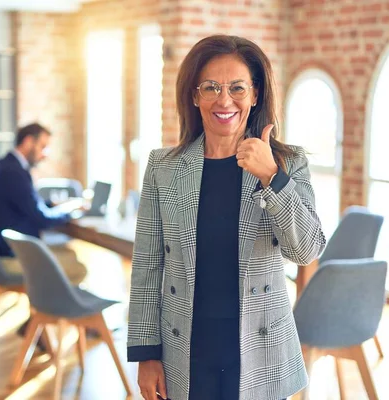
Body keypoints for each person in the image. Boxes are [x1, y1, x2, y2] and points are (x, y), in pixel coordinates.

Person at [127, 35, 326, 400]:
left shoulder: (288, 164)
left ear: (255, 94)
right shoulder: (163, 168)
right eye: (211, 87)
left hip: (261, 348)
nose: (224, 100)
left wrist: (272, 177)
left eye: (237, 87)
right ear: (194, 95)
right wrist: (146, 353)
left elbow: (307, 250)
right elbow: (147, 267)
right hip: (184, 347)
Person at [0, 122, 87, 284]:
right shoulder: (14, 173)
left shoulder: (4, 166)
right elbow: (42, 219)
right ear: (29, 141)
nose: (45, 154)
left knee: (67, 253)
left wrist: (52, 204)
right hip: (10, 255)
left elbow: (24, 204)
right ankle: (53, 307)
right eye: (43, 146)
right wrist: (69, 210)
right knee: (76, 267)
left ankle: (45, 306)